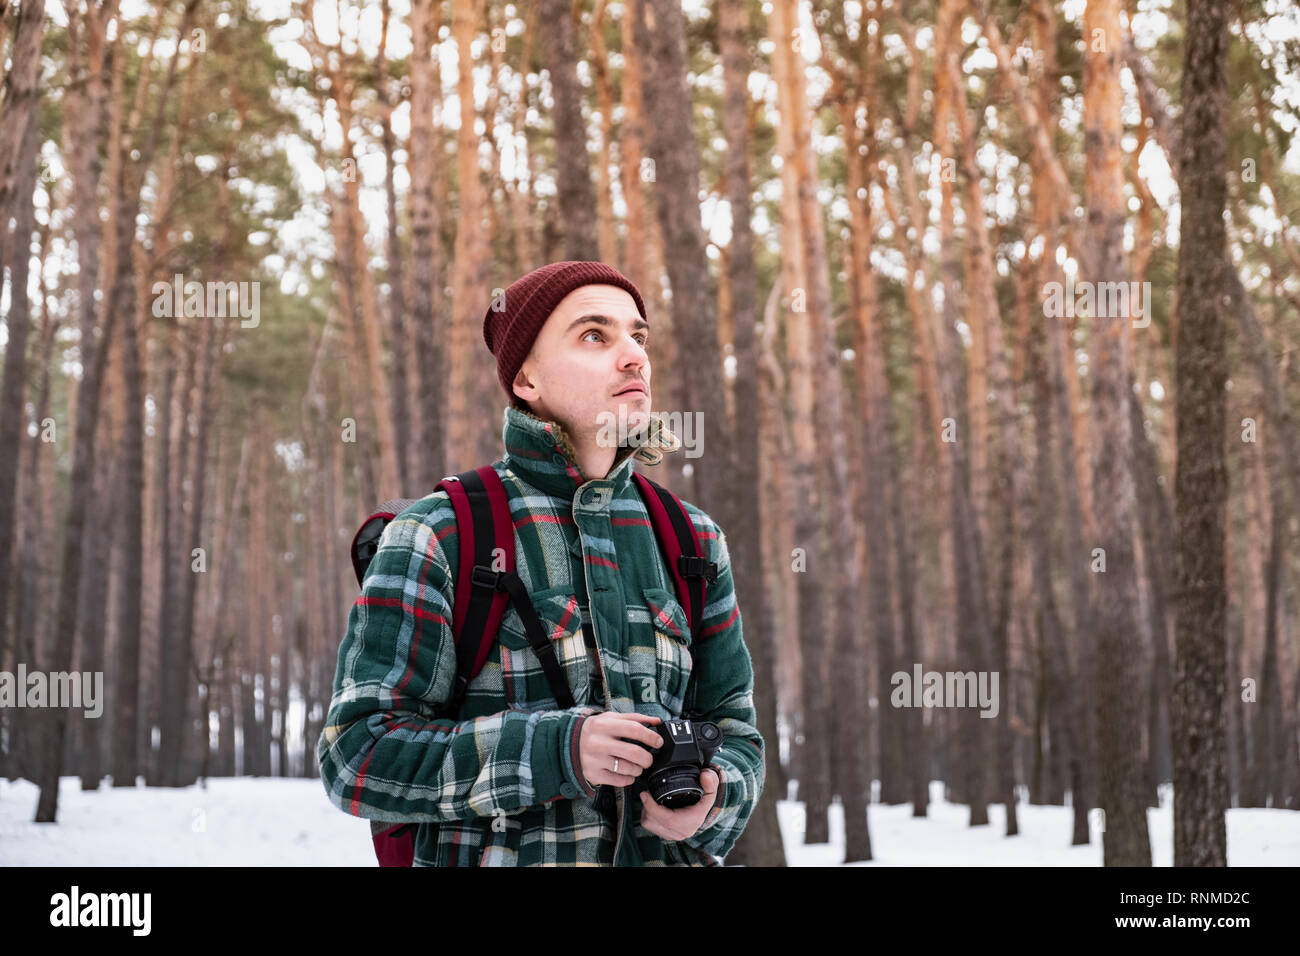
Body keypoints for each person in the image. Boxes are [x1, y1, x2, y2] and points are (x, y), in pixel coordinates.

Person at [318, 260, 765, 866]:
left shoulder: (692, 539)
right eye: (594, 335)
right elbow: (355, 756)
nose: (633, 356)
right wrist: (557, 751)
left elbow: (736, 735)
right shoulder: (440, 532)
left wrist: (714, 797)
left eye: (638, 336)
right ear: (526, 378)